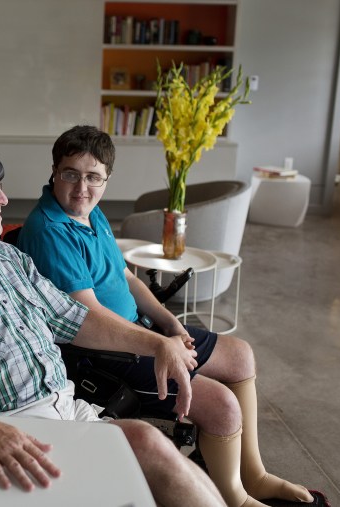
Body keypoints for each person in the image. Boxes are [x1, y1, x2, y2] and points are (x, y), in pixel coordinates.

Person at [0, 144, 226, 507]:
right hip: (4, 435)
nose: (3, 199)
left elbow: (73, 319)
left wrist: (157, 343)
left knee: (153, 445)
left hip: (66, 411)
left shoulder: (6, 256)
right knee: (147, 452)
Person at [17, 125, 323, 507]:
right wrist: (161, 344)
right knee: (224, 406)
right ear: (54, 172)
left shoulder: (90, 215)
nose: (82, 188)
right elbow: (88, 318)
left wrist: (170, 323)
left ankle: (254, 475)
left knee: (241, 355)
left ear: (107, 180)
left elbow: (126, 278)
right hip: (104, 353)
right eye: (71, 175)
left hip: (141, 334)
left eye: (93, 178)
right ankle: (236, 497)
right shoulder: (50, 230)